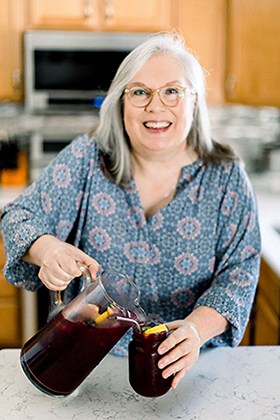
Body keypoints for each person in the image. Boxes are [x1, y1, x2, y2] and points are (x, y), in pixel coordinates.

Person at [1, 32, 261, 389]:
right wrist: (48, 249)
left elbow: (240, 272)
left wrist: (196, 329)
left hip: (194, 366)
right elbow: (17, 216)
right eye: (140, 91)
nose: (156, 106)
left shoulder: (226, 176)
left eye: (172, 91)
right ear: (122, 102)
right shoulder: (87, 159)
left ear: (195, 101)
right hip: (87, 365)